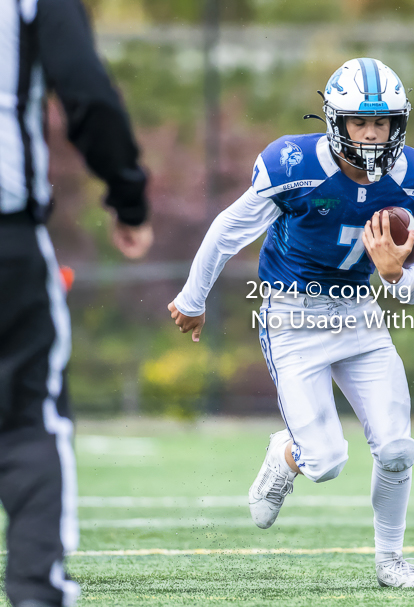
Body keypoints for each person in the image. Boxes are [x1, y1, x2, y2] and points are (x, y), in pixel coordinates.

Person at [168, 58, 414, 588]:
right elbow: (228, 231)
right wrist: (193, 297)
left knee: (396, 448)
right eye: (359, 122)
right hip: (293, 316)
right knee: (326, 462)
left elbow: (412, 293)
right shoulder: (295, 164)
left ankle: (391, 562)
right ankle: (287, 453)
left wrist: (393, 273)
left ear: (397, 124)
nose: (370, 133)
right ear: (334, 122)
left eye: (381, 122)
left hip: (360, 317)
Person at [0, 0, 152, 605]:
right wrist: (128, 194)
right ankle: (36, 589)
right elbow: (86, 93)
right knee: (28, 418)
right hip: (6, 239)